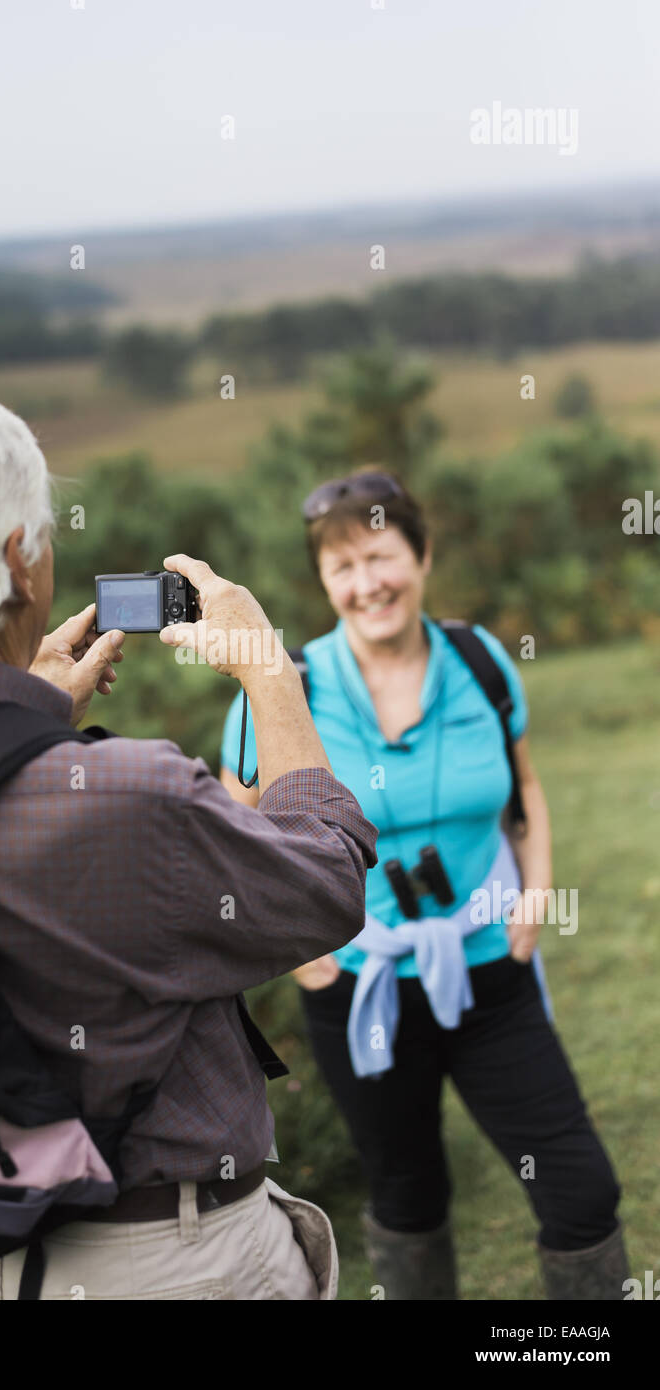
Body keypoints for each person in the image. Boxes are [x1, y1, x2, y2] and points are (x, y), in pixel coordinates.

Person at [0, 383, 379, 1300]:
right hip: (165, 1267)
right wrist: (269, 672)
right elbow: (327, 877)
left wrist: (14, 724)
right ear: (20, 559)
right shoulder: (129, 797)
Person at [220, 467, 628, 1300]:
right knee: (408, 1196)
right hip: (359, 986)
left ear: (421, 554)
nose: (367, 584)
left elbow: (525, 791)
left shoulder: (480, 662)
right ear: (324, 581)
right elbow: (230, 838)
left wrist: (536, 892)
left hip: (490, 974)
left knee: (580, 1190)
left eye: (380, 556)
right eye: (343, 568)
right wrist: (301, 958)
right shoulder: (282, 688)